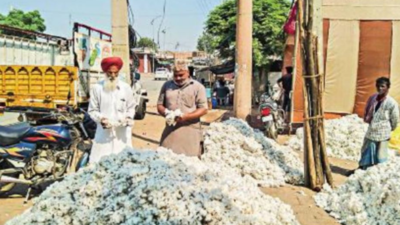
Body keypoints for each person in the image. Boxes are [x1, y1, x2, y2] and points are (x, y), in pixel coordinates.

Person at [88, 56, 136, 163]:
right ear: (105, 72)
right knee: (100, 164)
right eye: (110, 73)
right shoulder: (97, 88)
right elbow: (92, 110)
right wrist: (101, 119)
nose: (113, 76)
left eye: (116, 73)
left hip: (122, 133)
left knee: (123, 163)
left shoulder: (125, 88)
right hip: (104, 134)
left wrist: (128, 118)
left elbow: (131, 107)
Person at [157, 63, 208, 157]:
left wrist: (186, 117)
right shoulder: (167, 85)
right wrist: (167, 113)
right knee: (165, 159)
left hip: (190, 132)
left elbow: (203, 109)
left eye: (181, 75)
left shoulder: (198, 87)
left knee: (191, 163)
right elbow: (160, 105)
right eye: (175, 75)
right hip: (170, 131)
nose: (178, 78)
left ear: (188, 73)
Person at [359, 77, 399, 170]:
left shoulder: (391, 103)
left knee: (380, 153)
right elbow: (367, 111)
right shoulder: (373, 98)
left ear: (388, 88)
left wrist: (391, 128)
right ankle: (363, 168)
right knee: (367, 149)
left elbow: (395, 118)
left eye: (382, 86)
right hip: (372, 129)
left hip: (383, 131)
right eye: (378, 86)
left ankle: (379, 170)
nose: (380, 88)